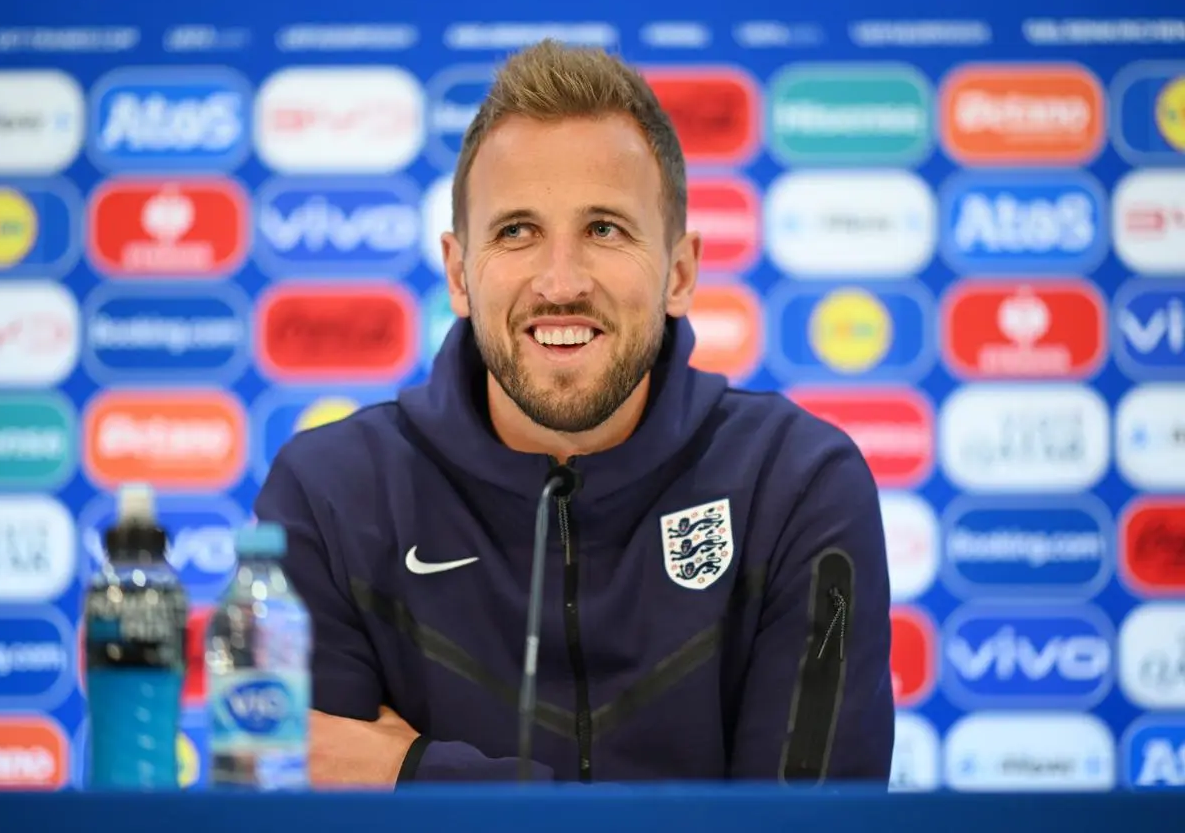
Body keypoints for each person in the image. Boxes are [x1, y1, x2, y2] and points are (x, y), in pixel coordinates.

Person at [254, 38, 895, 786]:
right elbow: (293, 801)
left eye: (604, 229)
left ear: (680, 273)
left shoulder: (795, 485)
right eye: (517, 231)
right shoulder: (329, 497)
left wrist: (420, 775)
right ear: (459, 274)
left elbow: (806, 827)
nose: (560, 283)